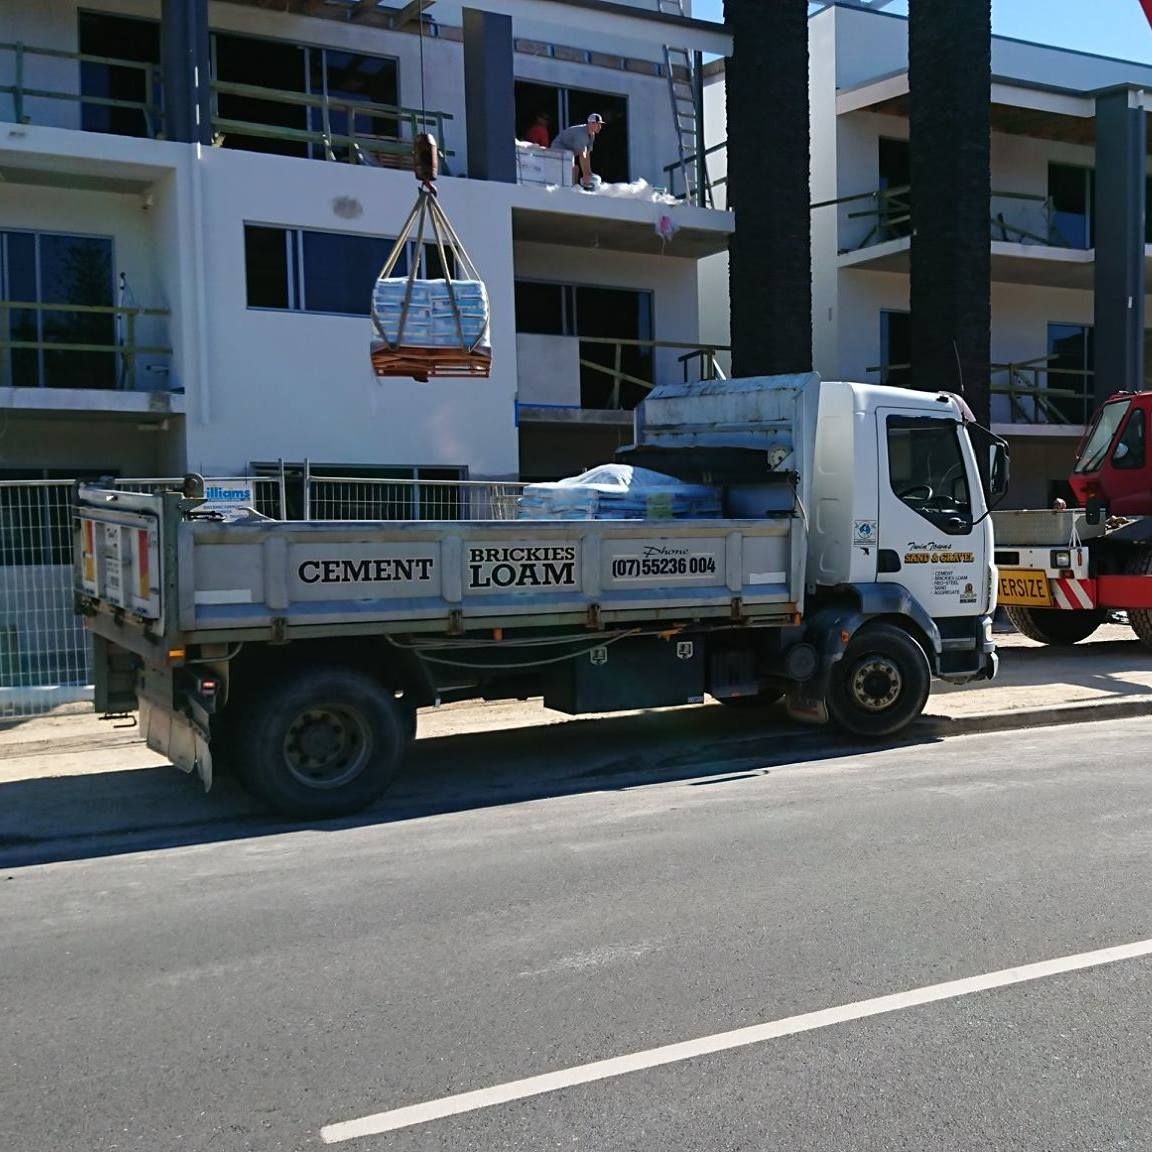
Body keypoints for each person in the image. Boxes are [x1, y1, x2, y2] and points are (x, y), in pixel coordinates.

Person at [551, 112, 604, 189]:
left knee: (576, 168)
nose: (600, 127)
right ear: (590, 124)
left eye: (600, 124)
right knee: (573, 168)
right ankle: (571, 189)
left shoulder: (592, 134)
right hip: (557, 149)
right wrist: (585, 174)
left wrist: (589, 172)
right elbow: (582, 155)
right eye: (597, 124)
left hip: (568, 153)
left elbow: (587, 154)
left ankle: (575, 188)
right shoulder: (581, 134)